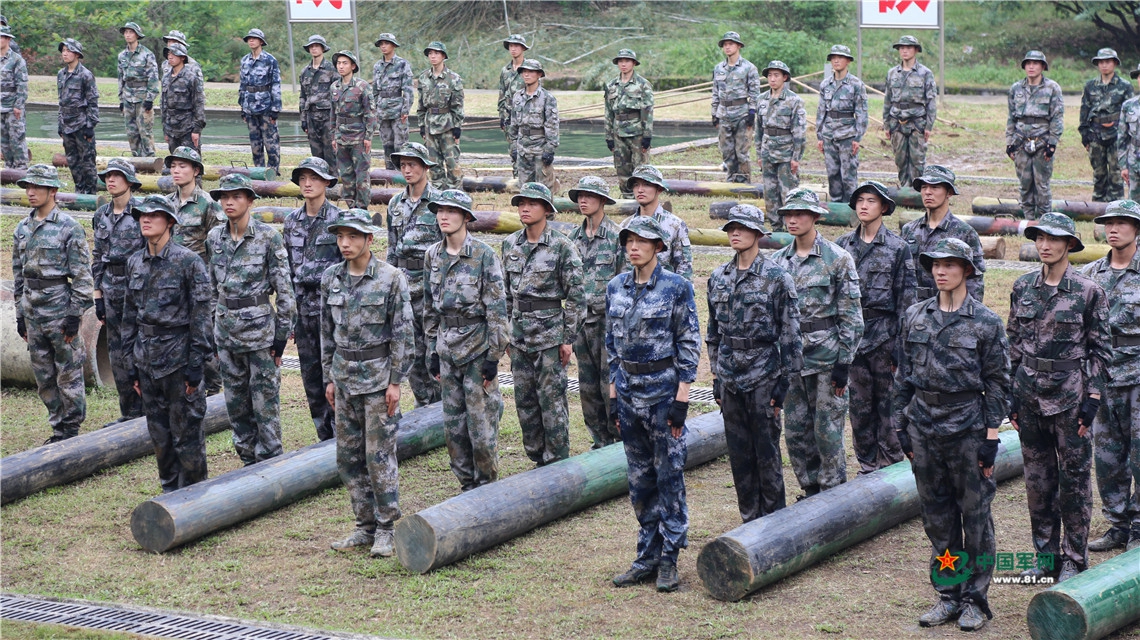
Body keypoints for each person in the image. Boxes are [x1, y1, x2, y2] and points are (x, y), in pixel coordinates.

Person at [894, 238, 1010, 632]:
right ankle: (948, 594)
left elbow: (998, 383)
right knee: (937, 518)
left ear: (966, 270)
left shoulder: (986, 322)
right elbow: (903, 375)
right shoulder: (914, 316)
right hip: (924, 427)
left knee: (975, 518)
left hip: (967, 428)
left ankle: (976, 599)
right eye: (935, 265)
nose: (940, 271)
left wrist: (991, 437)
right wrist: (901, 426)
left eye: (949, 264)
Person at [1007, 212, 1110, 582]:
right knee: (1038, 482)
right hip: (1029, 396)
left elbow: (1101, 350)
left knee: (1074, 482)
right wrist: (1010, 395)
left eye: (1053, 240)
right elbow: (1013, 345)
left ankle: (1074, 559)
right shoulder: (1022, 287)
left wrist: (1093, 396)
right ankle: (1045, 557)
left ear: (1069, 245)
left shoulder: (1088, 291)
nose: (1045, 246)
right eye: (1039, 239)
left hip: (1070, 398)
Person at [607, 215, 701, 593]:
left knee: (669, 476)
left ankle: (670, 558)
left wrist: (682, 401)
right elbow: (612, 347)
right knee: (640, 480)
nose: (633, 246)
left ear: (658, 247)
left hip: (663, 395)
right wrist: (613, 398)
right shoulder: (616, 287)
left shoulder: (677, 288)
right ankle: (647, 554)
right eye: (629, 240)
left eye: (642, 241)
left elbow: (689, 344)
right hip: (629, 393)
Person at [322, 209, 414, 558]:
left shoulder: (391, 278)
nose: (345, 244)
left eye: (353, 237)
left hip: (377, 381)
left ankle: (387, 527)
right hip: (344, 378)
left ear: (369, 240)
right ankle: (363, 525)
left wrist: (395, 382)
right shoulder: (331, 278)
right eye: (341, 237)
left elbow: (403, 334)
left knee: (379, 456)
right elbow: (326, 334)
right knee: (347, 457)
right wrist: (331, 377)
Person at [707, 204, 802, 522]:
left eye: (743, 228)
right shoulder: (718, 277)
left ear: (758, 235)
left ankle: (775, 522)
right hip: (731, 377)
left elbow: (790, 334)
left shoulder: (777, 277)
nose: (735, 232)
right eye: (731, 227)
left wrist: (784, 382)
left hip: (763, 375)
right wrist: (717, 377)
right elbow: (713, 333)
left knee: (766, 452)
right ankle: (749, 519)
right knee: (739, 454)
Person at [772, 188, 864, 496]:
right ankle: (809, 490)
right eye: (788, 214)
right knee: (797, 432)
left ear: (814, 217)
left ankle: (833, 494)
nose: (793, 220)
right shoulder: (777, 261)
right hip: (792, 362)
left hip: (827, 359)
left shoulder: (837, 259)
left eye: (799, 214)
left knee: (828, 432)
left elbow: (851, 315)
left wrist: (844, 362)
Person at [121, 195, 212, 493]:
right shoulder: (135, 261)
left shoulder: (188, 262)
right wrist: (130, 366)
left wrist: (196, 365)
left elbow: (201, 315)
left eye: (154, 215)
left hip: (179, 357)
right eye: (141, 215)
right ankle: (170, 493)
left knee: (186, 434)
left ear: (170, 222)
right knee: (159, 435)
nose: (145, 219)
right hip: (146, 359)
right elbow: (129, 316)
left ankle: (195, 498)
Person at [206, 174, 296, 466]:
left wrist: (281, 337)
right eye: (224, 197)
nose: (229, 202)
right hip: (226, 335)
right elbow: (210, 290)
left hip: (260, 337)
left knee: (265, 404)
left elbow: (284, 291)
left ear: (250, 200)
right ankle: (247, 460)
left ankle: (270, 462)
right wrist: (211, 329)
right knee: (236, 404)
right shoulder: (214, 238)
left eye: (236, 197)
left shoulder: (268, 237)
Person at [423, 189, 509, 490]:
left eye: (451, 211)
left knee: (481, 428)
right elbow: (429, 306)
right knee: (454, 428)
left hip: (477, 349)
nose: (444, 216)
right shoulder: (431, 256)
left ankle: (486, 485)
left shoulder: (484, 255)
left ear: (466, 217)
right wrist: (432, 350)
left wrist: (493, 358)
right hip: (447, 350)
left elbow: (497, 309)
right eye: (440, 211)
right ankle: (466, 485)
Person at [501, 182, 584, 466]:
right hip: (519, 336)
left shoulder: (562, 246)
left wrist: (568, 339)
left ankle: (558, 460)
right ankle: (537, 458)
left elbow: (575, 296)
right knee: (524, 401)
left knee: (552, 402)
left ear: (547, 210)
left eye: (532, 203)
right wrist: (507, 337)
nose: (524, 208)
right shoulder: (510, 244)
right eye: (521, 203)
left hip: (549, 336)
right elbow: (505, 294)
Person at [836, 181, 916, 474]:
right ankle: (867, 464)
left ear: (884, 207)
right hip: (853, 337)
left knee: (889, 405)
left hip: (884, 337)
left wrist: (900, 346)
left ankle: (891, 464)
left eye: (871, 201)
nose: (864, 205)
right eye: (859, 200)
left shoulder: (897, 248)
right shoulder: (843, 246)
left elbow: (906, 300)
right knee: (858, 407)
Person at [12, 164, 94, 444]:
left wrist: (75, 315)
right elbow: (17, 273)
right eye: (28, 187)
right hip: (32, 309)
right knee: (43, 373)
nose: (31, 192)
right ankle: (57, 426)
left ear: (53, 191)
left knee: (68, 371)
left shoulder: (68, 227)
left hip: (59, 307)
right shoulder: (22, 227)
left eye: (37, 187)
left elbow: (83, 275)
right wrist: (19, 313)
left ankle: (70, 430)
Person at [1083, 199, 1140, 552]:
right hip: (1103, 375)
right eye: (1108, 223)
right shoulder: (1091, 274)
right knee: (1106, 456)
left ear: (1136, 229)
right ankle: (1117, 524)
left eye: (1121, 223)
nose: (1113, 228)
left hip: (1138, 374)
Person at [284, 157, 342, 442]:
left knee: (334, 379)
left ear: (327, 183)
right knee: (311, 381)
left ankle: (342, 436)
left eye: (314, 178)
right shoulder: (291, 222)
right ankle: (324, 439)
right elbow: (287, 272)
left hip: (330, 314)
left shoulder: (338, 221)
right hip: (303, 315)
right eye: (303, 178)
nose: (308, 183)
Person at [568, 176, 626, 449]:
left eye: (589, 195)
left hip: (608, 322)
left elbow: (624, 284)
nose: (583, 200)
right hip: (581, 322)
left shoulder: (617, 237)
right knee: (587, 385)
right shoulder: (572, 239)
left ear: (602, 200)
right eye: (580, 195)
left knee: (610, 384)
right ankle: (599, 439)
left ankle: (618, 440)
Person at [387, 142, 443, 407]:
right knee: (410, 350)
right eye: (403, 166)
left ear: (425, 167)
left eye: (412, 165)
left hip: (431, 288)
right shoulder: (395, 204)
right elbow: (391, 247)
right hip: (404, 288)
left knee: (435, 350)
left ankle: (442, 406)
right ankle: (423, 404)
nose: (407, 170)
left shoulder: (440, 203)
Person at [165, 146, 223, 395]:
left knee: (203, 336)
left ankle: (212, 389)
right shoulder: (166, 203)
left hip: (200, 284)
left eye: (183, 166)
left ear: (196, 171)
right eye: (173, 166)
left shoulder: (208, 204)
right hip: (169, 282)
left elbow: (218, 246)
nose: (176, 171)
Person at [92, 158, 145, 426]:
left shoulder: (142, 213)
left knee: (140, 348)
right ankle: (129, 411)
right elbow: (98, 255)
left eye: (116, 176)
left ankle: (148, 408)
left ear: (129, 181)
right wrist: (98, 295)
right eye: (107, 176)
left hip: (136, 288)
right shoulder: (101, 214)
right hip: (110, 289)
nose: (110, 180)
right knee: (117, 352)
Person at [899, 165, 986, 302]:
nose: (928, 192)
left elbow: (974, 281)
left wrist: (967, 316)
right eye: (924, 187)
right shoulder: (909, 230)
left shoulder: (964, 232)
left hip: (946, 308)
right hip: (913, 310)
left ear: (949, 193)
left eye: (935, 187)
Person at [1006, 50, 1064, 220]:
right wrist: (1009, 143)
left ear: (1043, 66)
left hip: (1042, 141)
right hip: (1021, 142)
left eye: (1036, 63)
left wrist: (1052, 143)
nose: (1031, 67)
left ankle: (1045, 220)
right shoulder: (1016, 88)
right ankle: (1029, 220)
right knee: (1024, 184)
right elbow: (1011, 117)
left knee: (1042, 185)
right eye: (1028, 63)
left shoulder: (1052, 88)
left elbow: (1057, 117)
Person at [755, 60, 806, 229]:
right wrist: (758, 154)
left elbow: (799, 131)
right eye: (770, 75)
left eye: (776, 75)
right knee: (770, 192)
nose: (772, 79)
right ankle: (776, 227)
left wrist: (796, 158)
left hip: (786, 152)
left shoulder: (794, 101)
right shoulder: (761, 99)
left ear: (785, 77)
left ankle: (792, 226)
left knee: (788, 192)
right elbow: (759, 129)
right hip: (767, 151)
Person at [816, 45, 869, 205]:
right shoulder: (826, 84)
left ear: (847, 61)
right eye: (833, 58)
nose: (836, 60)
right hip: (829, 135)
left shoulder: (856, 85)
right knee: (832, 173)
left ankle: (852, 207)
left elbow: (861, 113)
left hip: (847, 135)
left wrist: (857, 137)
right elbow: (821, 111)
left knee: (848, 174)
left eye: (840, 57)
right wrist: (820, 136)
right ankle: (836, 206)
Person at [620, 165, 693, 280]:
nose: (640, 190)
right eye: (636, 185)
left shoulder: (674, 225)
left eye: (647, 184)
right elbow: (621, 268)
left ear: (659, 189)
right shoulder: (626, 225)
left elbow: (684, 269)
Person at [883, 35, 937, 188]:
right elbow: (888, 100)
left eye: (908, 48)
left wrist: (928, 126)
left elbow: (931, 101)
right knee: (900, 159)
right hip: (896, 122)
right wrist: (886, 124)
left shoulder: (925, 73)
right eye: (902, 48)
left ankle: (917, 191)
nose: (904, 51)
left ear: (915, 50)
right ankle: (904, 190)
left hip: (916, 122)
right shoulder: (892, 73)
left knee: (917, 159)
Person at [1080, 48, 1133, 203]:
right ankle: (1097, 208)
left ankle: (1116, 207)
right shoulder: (1090, 86)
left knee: (1116, 174)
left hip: (1117, 135)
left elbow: (1129, 112)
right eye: (1101, 62)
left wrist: (1127, 137)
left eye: (1107, 62)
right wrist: (1085, 135)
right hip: (1095, 134)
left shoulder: (1125, 86)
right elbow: (1085, 109)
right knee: (1099, 174)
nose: (1104, 65)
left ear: (1115, 63)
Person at [711, 31, 760, 184]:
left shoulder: (749, 68)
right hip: (724, 113)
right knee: (727, 151)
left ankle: (744, 181)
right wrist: (714, 113)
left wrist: (752, 111)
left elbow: (755, 92)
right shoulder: (719, 68)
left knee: (742, 152)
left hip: (742, 113)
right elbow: (715, 92)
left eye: (731, 44)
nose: (727, 47)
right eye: (725, 44)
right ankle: (731, 179)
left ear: (738, 46)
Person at [605, 49, 654, 198]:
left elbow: (648, 112)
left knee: (640, 168)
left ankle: (642, 199)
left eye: (627, 61)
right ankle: (627, 199)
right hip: (618, 133)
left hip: (637, 133)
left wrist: (647, 135)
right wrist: (608, 136)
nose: (623, 64)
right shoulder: (611, 85)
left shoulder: (643, 84)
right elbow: (608, 112)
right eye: (620, 61)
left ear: (633, 63)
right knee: (622, 168)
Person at [330, 50, 376, 209]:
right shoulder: (334, 87)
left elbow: (370, 113)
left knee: (361, 177)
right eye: (338, 63)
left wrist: (368, 136)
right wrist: (333, 137)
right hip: (341, 138)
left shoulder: (362, 87)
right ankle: (351, 209)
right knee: (346, 176)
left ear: (353, 66)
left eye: (345, 63)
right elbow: (332, 114)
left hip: (358, 138)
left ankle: (362, 209)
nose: (341, 66)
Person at [417, 41, 464, 190]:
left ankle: (456, 195)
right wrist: (421, 126)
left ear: (443, 56)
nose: (433, 56)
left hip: (447, 126)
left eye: (436, 53)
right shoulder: (424, 78)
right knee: (433, 164)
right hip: (430, 125)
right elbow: (421, 106)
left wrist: (457, 127)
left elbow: (458, 105)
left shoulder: (453, 78)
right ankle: (438, 196)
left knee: (452, 164)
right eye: (430, 53)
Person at [508, 59, 559, 191]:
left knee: (544, 188)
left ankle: (548, 212)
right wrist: (513, 146)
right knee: (525, 187)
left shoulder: (547, 98)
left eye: (530, 71)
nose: (526, 74)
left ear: (539, 75)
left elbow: (552, 125)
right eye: (524, 71)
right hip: (523, 149)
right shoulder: (517, 97)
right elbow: (513, 124)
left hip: (540, 148)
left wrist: (549, 149)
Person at [56, 38, 99, 195]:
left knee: (87, 161)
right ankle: (79, 191)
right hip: (67, 125)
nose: (64, 53)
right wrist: (60, 124)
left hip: (82, 125)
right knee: (72, 161)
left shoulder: (86, 75)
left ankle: (91, 193)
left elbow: (93, 101)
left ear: (77, 54)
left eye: (68, 50)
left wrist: (90, 126)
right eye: (63, 50)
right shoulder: (61, 74)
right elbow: (61, 101)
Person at [239, 28, 282, 173]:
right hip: (249, 106)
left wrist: (276, 108)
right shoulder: (245, 60)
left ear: (261, 41)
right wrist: (242, 107)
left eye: (254, 38)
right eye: (249, 38)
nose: (251, 40)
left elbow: (276, 84)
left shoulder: (270, 60)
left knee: (270, 141)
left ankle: (273, 169)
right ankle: (259, 170)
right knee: (255, 142)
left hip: (266, 105)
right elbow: (242, 85)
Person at [371, 33, 414, 171]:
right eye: (381, 44)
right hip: (382, 110)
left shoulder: (402, 64)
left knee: (400, 144)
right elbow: (375, 90)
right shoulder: (377, 66)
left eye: (386, 43)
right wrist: (375, 108)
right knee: (386, 143)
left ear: (393, 45)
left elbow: (407, 89)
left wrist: (405, 110)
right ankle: (389, 173)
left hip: (397, 109)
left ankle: (402, 173)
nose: (383, 46)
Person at [117, 22, 159, 158]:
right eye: (126, 32)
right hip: (128, 96)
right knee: (131, 131)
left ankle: (151, 159)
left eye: (131, 32)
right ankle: (137, 159)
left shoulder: (147, 54)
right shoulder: (122, 55)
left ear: (137, 35)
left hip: (143, 96)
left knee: (145, 130)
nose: (128, 35)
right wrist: (121, 100)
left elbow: (153, 78)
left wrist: (150, 99)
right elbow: (120, 79)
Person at [298, 35, 336, 167]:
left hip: (327, 116)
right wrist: (303, 119)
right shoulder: (305, 72)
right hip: (311, 116)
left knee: (330, 150)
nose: (314, 48)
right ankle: (319, 178)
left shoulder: (331, 69)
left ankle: (333, 180)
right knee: (316, 152)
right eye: (311, 46)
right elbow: (303, 96)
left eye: (317, 46)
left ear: (323, 48)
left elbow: (337, 95)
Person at [160, 42, 204, 154]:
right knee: (175, 160)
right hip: (171, 128)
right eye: (169, 54)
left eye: (174, 54)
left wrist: (196, 130)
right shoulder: (165, 78)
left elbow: (198, 104)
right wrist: (165, 129)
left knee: (191, 159)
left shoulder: (191, 78)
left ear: (182, 57)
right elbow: (163, 105)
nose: (170, 57)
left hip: (187, 127)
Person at [498, 34, 528, 175]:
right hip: (509, 117)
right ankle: (517, 180)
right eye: (511, 46)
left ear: (523, 48)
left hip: (526, 117)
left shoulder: (529, 69)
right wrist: (502, 116)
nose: (513, 49)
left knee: (528, 152)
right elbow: (502, 94)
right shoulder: (505, 71)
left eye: (516, 46)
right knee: (514, 151)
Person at [0, 25, 28, 169]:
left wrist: (18, 105)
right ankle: (9, 168)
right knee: (3, 140)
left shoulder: (16, 60)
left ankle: (21, 168)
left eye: (1, 37)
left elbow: (22, 84)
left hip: (12, 107)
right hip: (0, 108)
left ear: (7, 39)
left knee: (16, 139)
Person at [1117, 65, 1140, 202]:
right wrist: (1123, 166)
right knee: (1134, 203)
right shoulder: (1129, 105)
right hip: (1134, 162)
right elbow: (1122, 138)